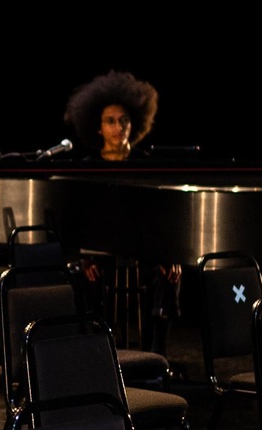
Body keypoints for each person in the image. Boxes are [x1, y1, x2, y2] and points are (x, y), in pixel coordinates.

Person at [62, 70, 182, 356]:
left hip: (143, 251)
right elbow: (77, 218)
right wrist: (84, 256)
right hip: (102, 252)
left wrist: (169, 254)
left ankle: (156, 357)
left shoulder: (147, 164)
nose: (118, 127)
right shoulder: (87, 167)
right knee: (82, 275)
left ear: (135, 123)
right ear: (98, 127)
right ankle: (95, 353)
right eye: (110, 121)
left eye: (124, 120)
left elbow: (163, 216)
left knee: (169, 275)